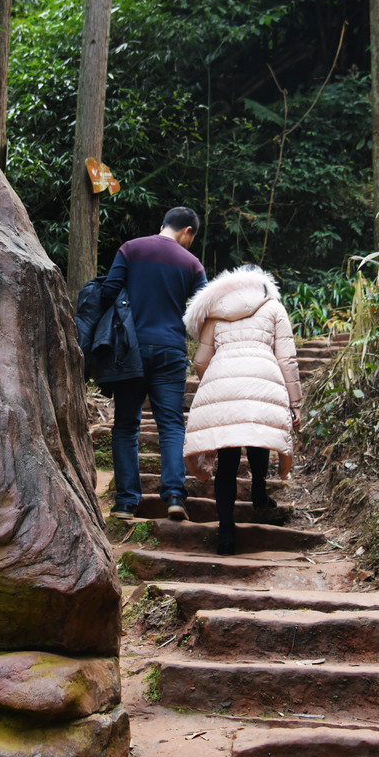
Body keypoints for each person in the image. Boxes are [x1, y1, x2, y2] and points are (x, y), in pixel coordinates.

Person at [182, 263, 302, 555]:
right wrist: (295, 402)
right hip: (264, 379)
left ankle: (226, 534)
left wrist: (215, 381)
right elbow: (286, 359)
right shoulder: (273, 308)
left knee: (227, 458)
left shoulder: (215, 312)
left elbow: (200, 360)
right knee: (257, 434)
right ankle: (259, 490)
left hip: (222, 381)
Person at [102, 207, 207, 520]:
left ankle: (125, 502)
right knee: (172, 425)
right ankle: (174, 495)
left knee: (125, 425)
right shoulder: (192, 263)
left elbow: (109, 291)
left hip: (130, 349)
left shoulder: (131, 249)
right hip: (171, 349)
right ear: (188, 231)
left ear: (162, 224)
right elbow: (202, 310)